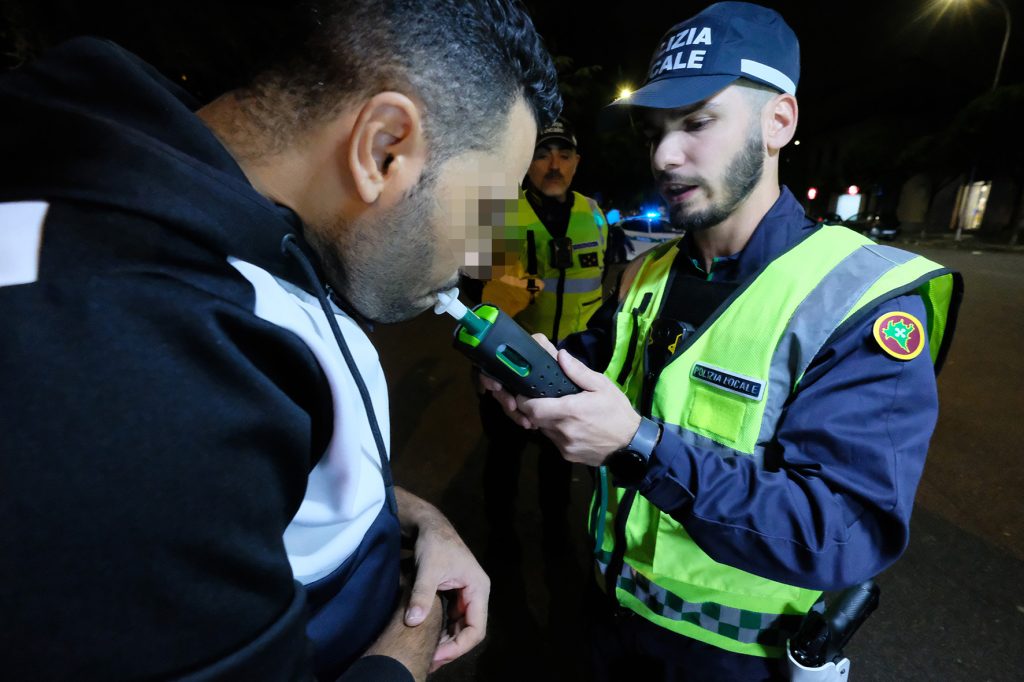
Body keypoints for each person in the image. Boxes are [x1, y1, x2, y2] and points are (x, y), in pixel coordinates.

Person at [0, 1, 560, 680]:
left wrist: (418, 522)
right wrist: (424, 628)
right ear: (382, 148)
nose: (481, 256)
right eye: (488, 208)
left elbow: (262, 487)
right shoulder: (138, 368)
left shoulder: (254, 230)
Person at [481, 2, 963, 680]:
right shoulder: (648, 269)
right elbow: (608, 359)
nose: (664, 155)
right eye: (654, 131)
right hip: (604, 621)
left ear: (779, 122)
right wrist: (539, 376)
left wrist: (636, 446)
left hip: (736, 660)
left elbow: (844, 531)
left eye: (697, 122)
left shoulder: (859, 297)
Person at [473, 116, 608, 552]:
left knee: (558, 461)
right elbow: (476, 297)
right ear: (526, 163)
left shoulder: (595, 214)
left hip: (570, 370)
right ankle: (499, 538)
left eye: (564, 154)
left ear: (577, 162)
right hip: (508, 363)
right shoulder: (498, 213)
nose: (554, 164)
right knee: (504, 458)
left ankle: (556, 536)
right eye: (542, 154)